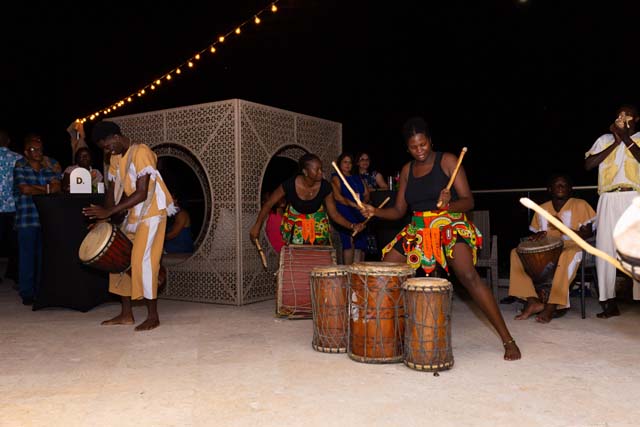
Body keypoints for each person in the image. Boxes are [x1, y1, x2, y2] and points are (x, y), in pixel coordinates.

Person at [358, 117, 521, 361]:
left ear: (430, 141)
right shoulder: (407, 170)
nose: (419, 150)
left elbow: (468, 201)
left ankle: (508, 339)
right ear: (407, 148)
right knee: (385, 270)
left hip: (447, 223)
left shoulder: (448, 161)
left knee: (468, 276)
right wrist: (375, 211)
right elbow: (399, 211)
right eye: (414, 147)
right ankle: (383, 335)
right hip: (418, 227)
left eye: (423, 144)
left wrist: (448, 205)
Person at [83, 121, 176, 331]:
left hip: (153, 213)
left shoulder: (141, 152)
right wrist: (103, 221)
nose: (107, 151)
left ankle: (153, 316)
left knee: (142, 261)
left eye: (107, 146)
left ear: (116, 136)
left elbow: (142, 193)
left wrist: (110, 212)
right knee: (117, 257)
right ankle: (126, 314)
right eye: (103, 148)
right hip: (133, 214)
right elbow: (112, 192)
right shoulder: (115, 158)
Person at [509, 174, 596, 323]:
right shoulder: (541, 208)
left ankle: (551, 305)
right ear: (549, 189)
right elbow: (538, 234)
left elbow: (587, 234)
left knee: (565, 256)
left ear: (570, 189)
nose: (560, 187)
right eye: (557, 185)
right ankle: (532, 301)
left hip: (573, 246)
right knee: (516, 253)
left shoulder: (580, 205)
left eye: (564, 185)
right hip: (548, 249)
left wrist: (562, 227)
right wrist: (538, 235)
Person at [585, 104, 640, 318]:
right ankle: (608, 302)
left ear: (636, 119)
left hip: (633, 198)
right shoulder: (604, 140)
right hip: (608, 197)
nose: (622, 117)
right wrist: (615, 142)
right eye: (619, 115)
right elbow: (589, 164)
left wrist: (625, 138)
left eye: (627, 115)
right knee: (605, 248)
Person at [250, 153, 365, 247]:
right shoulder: (290, 184)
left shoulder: (325, 187)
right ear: (305, 172)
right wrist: (257, 226)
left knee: (317, 260)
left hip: (318, 227)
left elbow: (334, 214)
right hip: (295, 227)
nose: (321, 172)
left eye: (321, 169)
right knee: (297, 260)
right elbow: (269, 203)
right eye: (317, 170)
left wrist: (352, 226)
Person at [13, 134, 62, 305]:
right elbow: (25, 189)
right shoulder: (20, 167)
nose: (38, 152)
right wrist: (46, 189)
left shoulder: (47, 168)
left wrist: (38, 188)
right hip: (27, 219)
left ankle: (40, 291)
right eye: (34, 149)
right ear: (26, 152)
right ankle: (27, 293)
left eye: (40, 149)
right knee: (27, 257)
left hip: (45, 219)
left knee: (43, 257)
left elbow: (56, 188)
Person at [331, 152, 370, 264]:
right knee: (349, 241)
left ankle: (358, 271)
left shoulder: (357, 177)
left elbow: (366, 194)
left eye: (350, 162)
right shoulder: (336, 177)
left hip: (360, 212)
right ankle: (348, 270)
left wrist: (363, 205)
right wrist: (354, 205)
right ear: (340, 163)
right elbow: (338, 197)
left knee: (361, 242)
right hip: (346, 212)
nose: (348, 165)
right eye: (345, 162)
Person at [0, 130, 22, 285]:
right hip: (13, 207)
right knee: (15, 243)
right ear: (8, 141)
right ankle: (13, 273)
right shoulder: (18, 158)